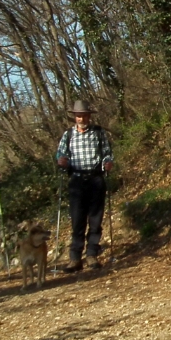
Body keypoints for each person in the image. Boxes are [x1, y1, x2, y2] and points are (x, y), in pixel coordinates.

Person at [55, 100, 114, 272]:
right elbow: (61, 154)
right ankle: (75, 258)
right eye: (79, 115)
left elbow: (107, 153)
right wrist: (61, 161)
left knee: (95, 220)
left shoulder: (98, 133)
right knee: (77, 220)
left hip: (96, 178)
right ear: (75, 117)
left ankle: (91, 255)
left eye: (85, 115)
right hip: (76, 180)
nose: (82, 118)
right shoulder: (68, 135)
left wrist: (107, 163)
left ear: (89, 116)